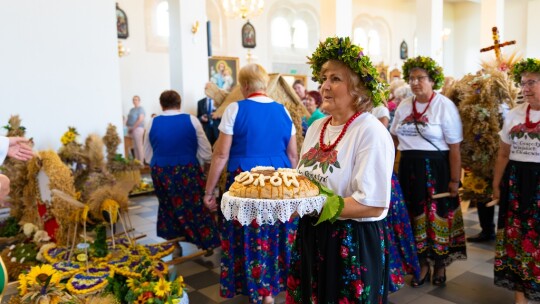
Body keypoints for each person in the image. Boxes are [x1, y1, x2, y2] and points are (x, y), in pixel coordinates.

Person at [286, 37, 394, 303]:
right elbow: (303, 182)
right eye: (323, 78)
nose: (324, 86)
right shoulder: (316, 128)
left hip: (350, 242)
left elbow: (373, 205)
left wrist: (315, 204)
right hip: (312, 235)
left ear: (357, 89)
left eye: (335, 79)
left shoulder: (370, 131)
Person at [203, 63, 298, 304]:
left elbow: (221, 155)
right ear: (264, 85)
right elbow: (294, 155)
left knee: (248, 233)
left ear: (244, 86)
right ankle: (270, 291)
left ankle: (255, 288)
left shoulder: (235, 109)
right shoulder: (283, 111)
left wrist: (209, 190)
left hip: (244, 181)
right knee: (274, 232)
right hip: (278, 182)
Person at [390, 56, 467, 288]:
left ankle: (440, 264)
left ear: (433, 80)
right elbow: (393, 139)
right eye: (412, 78)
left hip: (436, 170)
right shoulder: (404, 106)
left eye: (421, 78)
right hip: (408, 169)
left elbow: (454, 148)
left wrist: (455, 179)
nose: (415, 83)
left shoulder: (445, 106)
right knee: (413, 217)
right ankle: (421, 264)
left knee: (437, 217)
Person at [144, 90, 220, 253]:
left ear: (161, 105)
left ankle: (175, 243)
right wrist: (206, 167)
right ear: (180, 103)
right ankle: (206, 243)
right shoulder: (191, 120)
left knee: (167, 207)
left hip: (161, 171)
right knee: (196, 206)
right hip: (187, 170)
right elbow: (206, 151)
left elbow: (147, 155)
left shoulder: (152, 122)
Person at [492, 58, 540, 304]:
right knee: (517, 237)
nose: (525, 89)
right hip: (516, 182)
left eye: (531, 82)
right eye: (523, 84)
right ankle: (520, 294)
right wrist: (496, 185)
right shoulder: (514, 114)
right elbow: (502, 153)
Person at [372, 101, 421, 293]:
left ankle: (391, 272)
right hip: (378, 173)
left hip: (381, 174)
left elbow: (383, 135)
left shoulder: (379, 112)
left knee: (389, 227)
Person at [126, 95, 146, 163]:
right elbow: (128, 119)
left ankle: (141, 163)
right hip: (131, 129)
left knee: (139, 146)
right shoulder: (131, 110)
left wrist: (133, 127)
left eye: (136, 99)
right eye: (133, 99)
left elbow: (140, 119)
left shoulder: (141, 109)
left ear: (139, 101)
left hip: (138, 128)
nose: (135, 101)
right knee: (134, 147)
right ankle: (137, 162)